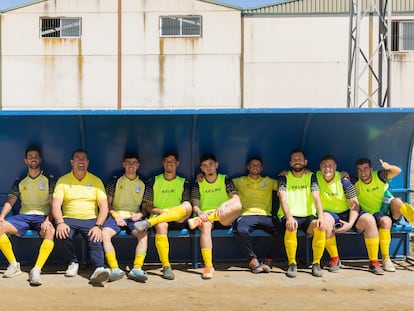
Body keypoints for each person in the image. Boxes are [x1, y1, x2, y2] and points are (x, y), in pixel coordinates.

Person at [317, 155, 384, 275]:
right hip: (331, 214)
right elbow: (302, 173)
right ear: (320, 167)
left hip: (349, 213)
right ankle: (335, 259)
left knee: (369, 220)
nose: (327, 169)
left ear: (335, 167)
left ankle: (374, 262)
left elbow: (355, 205)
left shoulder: (344, 181)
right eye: (324, 166)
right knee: (325, 221)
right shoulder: (314, 177)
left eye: (330, 166)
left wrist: (350, 224)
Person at [52, 149, 110, 285]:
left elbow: (104, 207)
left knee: (95, 237)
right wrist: (60, 222)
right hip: (69, 218)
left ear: (88, 162)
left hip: (91, 219)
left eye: (84, 158)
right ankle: (72, 262)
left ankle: (99, 268)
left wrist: (98, 225)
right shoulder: (63, 181)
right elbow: (55, 205)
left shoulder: (96, 181)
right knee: (63, 233)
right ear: (72, 162)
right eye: (77, 158)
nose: (81, 161)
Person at [0, 146, 55, 286]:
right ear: (26, 160)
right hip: (23, 217)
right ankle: (14, 264)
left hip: (42, 217)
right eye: (30, 156)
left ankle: (36, 270)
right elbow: (10, 201)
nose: (33, 158)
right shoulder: (20, 181)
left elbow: (54, 204)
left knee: (50, 231)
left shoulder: (49, 179)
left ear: (40, 159)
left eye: (36, 156)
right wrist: (1, 217)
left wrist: (48, 220)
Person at [134, 151, 193, 280]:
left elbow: (186, 205)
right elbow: (147, 206)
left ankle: (149, 223)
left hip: (178, 217)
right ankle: (166, 266)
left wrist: (172, 213)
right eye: (166, 161)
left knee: (188, 205)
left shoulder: (184, 182)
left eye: (172, 161)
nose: (169, 163)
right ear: (163, 163)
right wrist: (163, 213)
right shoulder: (154, 180)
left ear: (177, 163)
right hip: (159, 217)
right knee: (161, 225)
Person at [353, 158, 414, 272]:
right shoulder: (355, 182)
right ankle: (382, 260)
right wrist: (343, 174)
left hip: (386, 210)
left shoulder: (379, 176)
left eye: (366, 168)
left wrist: (389, 167)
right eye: (360, 169)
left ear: (371, 169)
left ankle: (386, 259)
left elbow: (397, 171)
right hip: (370, 215)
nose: (363, 172)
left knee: (396, 202)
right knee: (384, 221)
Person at [188, 153, 242, 279]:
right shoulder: (198, 182)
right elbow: (195, 204)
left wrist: (223, 205)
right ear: (201, 168)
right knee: (206, 226)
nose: (208, 168)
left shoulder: (225, 179)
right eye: (205, 165)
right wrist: (200, 213)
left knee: (238, 205)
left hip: (223, 216)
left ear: (216, 165)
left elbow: (235, 198)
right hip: (205, 216)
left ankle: (205, 218)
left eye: (211, 164)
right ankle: (208, 266)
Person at [277, 149, 326, 278]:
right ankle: (292, 263)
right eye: (294, 159)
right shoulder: (283, 177)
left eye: (299, 159)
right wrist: (289, 217)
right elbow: (282, 198)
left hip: (308, 216)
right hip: (289, 215)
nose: (297, 161)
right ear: (290, 162)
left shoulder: (311, 176)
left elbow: (316, 197)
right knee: (291, 226)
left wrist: (321, 216)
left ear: (305, 162)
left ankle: (316, 263)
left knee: (320, 226)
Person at [102, 152, 148, 282]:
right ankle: (115, 268)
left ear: (138, 165)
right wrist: (116, 216)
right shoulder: (114, 181)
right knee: (105, 234)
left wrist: (140, 214)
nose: (131, 165)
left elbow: (146, 207)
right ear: (123, 164)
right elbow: (108, 204)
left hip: (134, 216)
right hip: (117, 215)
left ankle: (137, 268)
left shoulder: (144, 182)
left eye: (134, 163)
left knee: (143, 234)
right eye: (128, 162)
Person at [232, 156, 280, 273]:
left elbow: (286, 185)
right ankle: (253, 260)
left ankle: (268, 260)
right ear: (248, 167)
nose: (255, 167)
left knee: (284, 231)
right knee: (241, 230)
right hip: (246, 215)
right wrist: (200, 176)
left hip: (266, 216)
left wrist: (285, 174)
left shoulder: (268, 181)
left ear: (261, 168)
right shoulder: (240, 181)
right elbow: (223, 182)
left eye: (258, 165)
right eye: (252, 165)